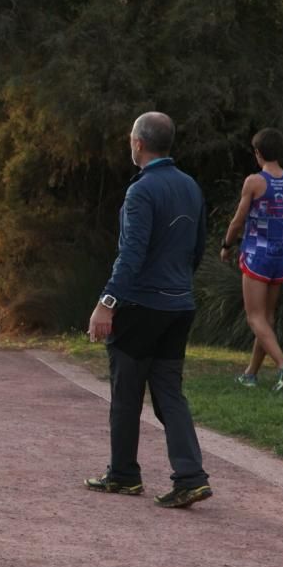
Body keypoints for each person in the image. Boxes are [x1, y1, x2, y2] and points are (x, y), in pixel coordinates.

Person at [85, 112, 212, 509]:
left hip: (142, 303)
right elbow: (198, 246)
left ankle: (123, 473)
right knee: (169, 391)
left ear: (138, 143)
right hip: (179, 303)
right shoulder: (190, 186)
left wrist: (107, 302)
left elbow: (132, 253)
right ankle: (190, 476)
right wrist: (178, 284)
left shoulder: (141, 191)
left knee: (126, 389)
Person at [220, 128, 283, 392]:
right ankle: (251, 374)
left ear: (258, 153)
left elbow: (238, 220)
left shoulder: (254, 182)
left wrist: (226, 245)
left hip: (257, 256)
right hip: (281, 257)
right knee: (267, 317)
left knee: (254, 318)